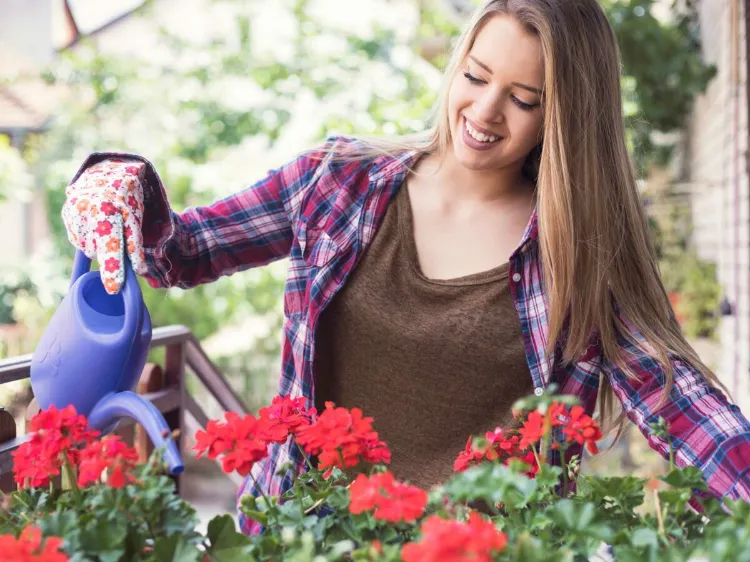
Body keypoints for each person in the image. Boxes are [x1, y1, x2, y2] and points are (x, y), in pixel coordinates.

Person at [62, 0, 750, 536]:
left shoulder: (580, 255)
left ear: (565, 118)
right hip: (304, 536)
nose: (484, 112)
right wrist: (121, 184)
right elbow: (176, 254)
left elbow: (678, 402)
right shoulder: (334, 184)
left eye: (525, 99)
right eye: (476, 77)